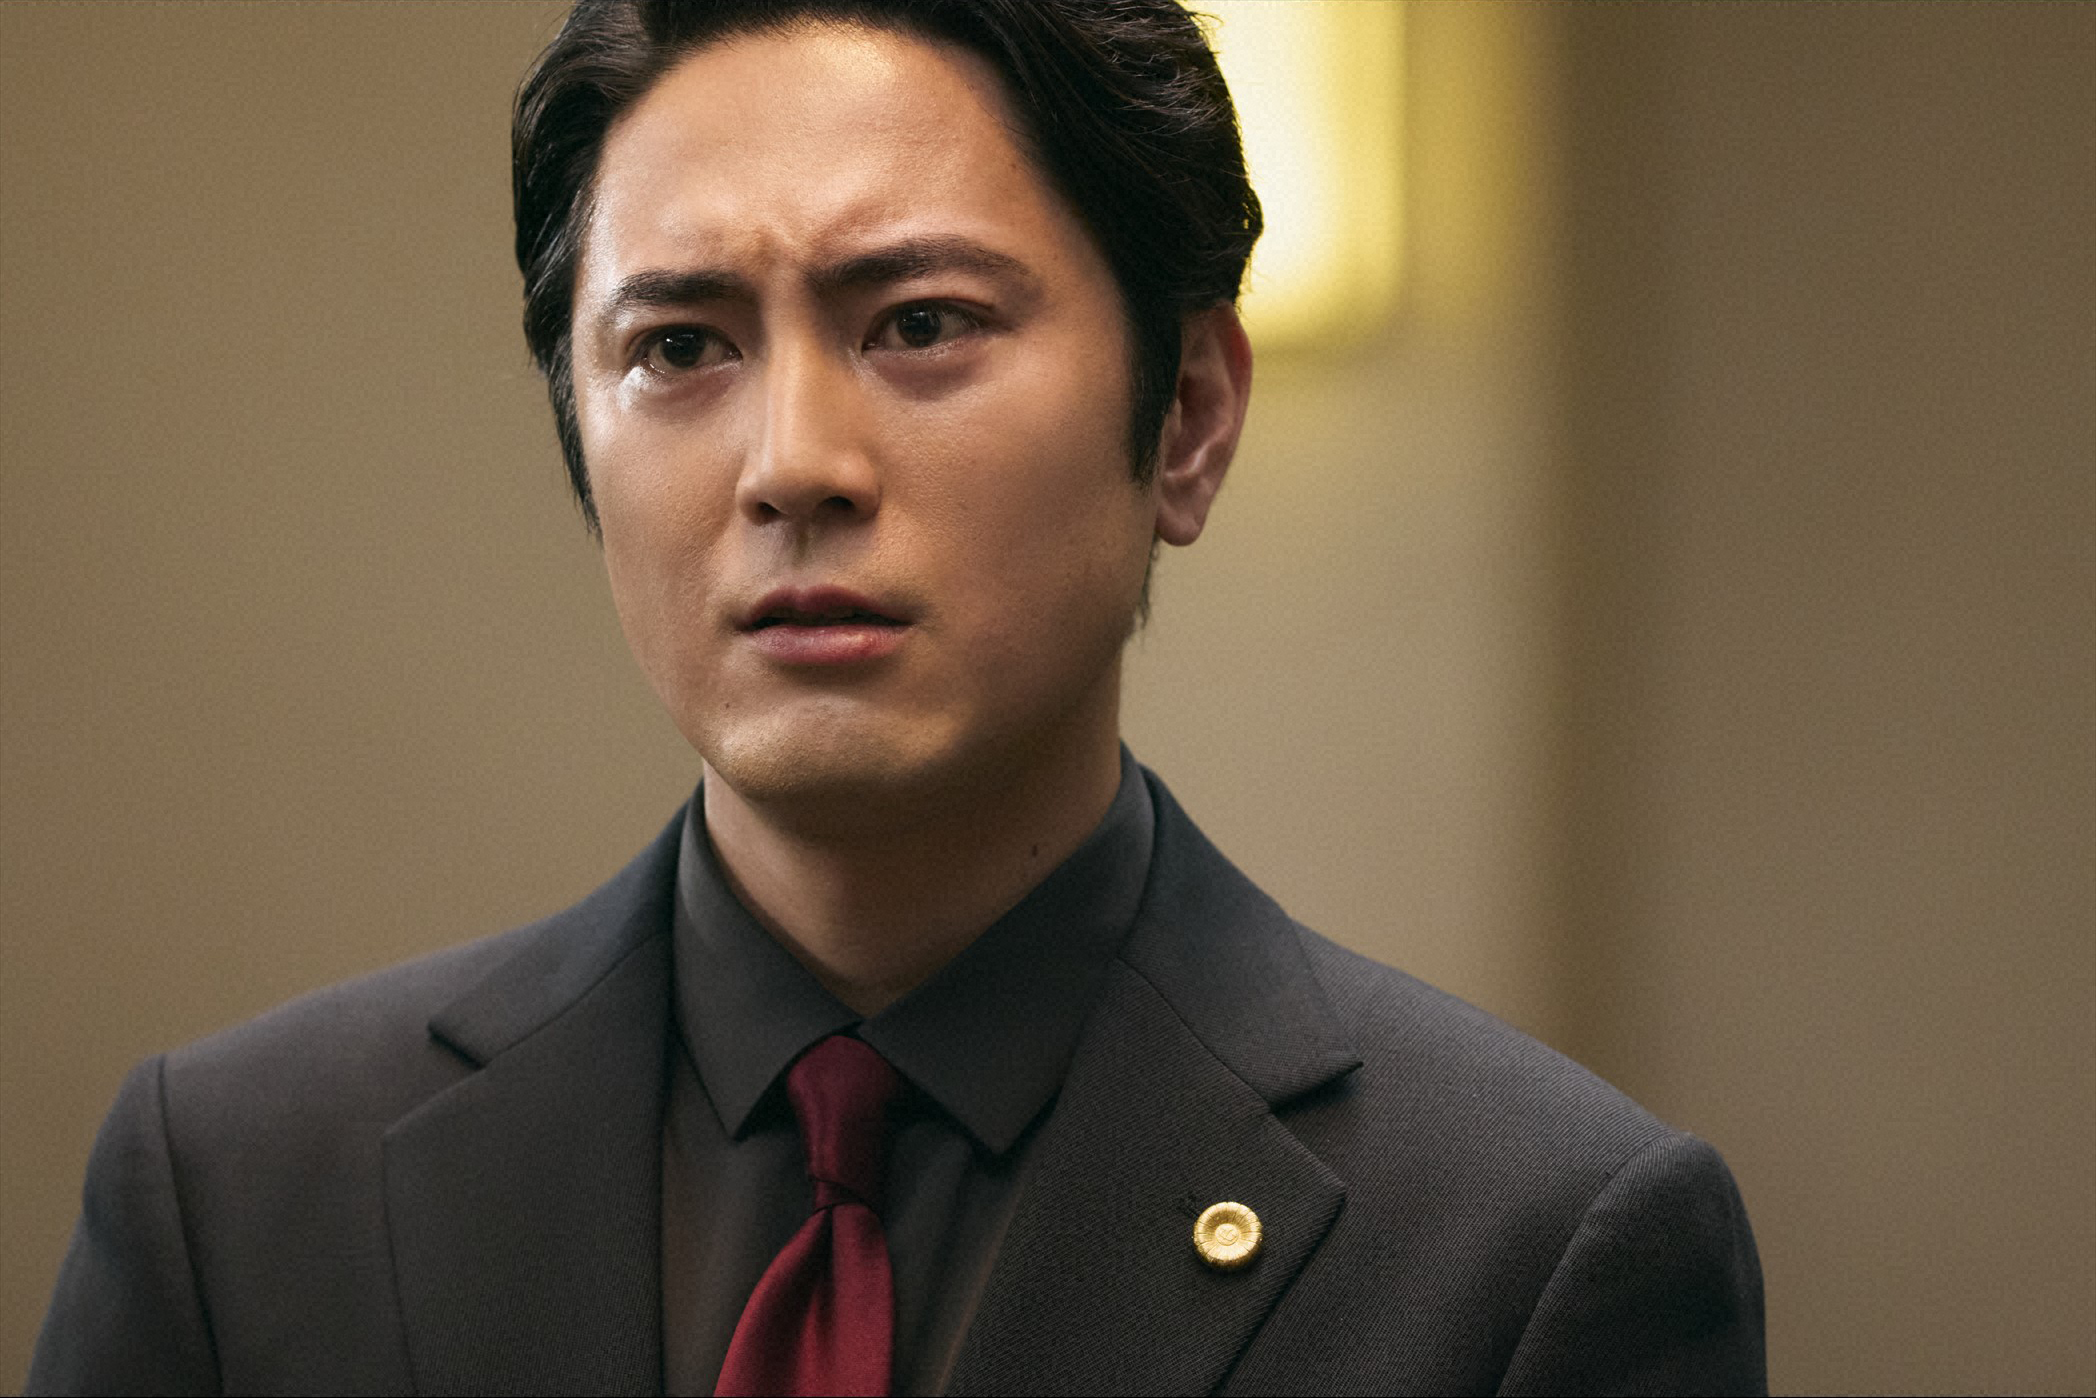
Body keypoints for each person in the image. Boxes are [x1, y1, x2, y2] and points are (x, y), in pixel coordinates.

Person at [28, 1, 1765, 1393]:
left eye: (921, 323)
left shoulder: (1526, 1251)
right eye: (680, 347)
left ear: (1186, 416)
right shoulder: (244, 1200)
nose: (794, 462)